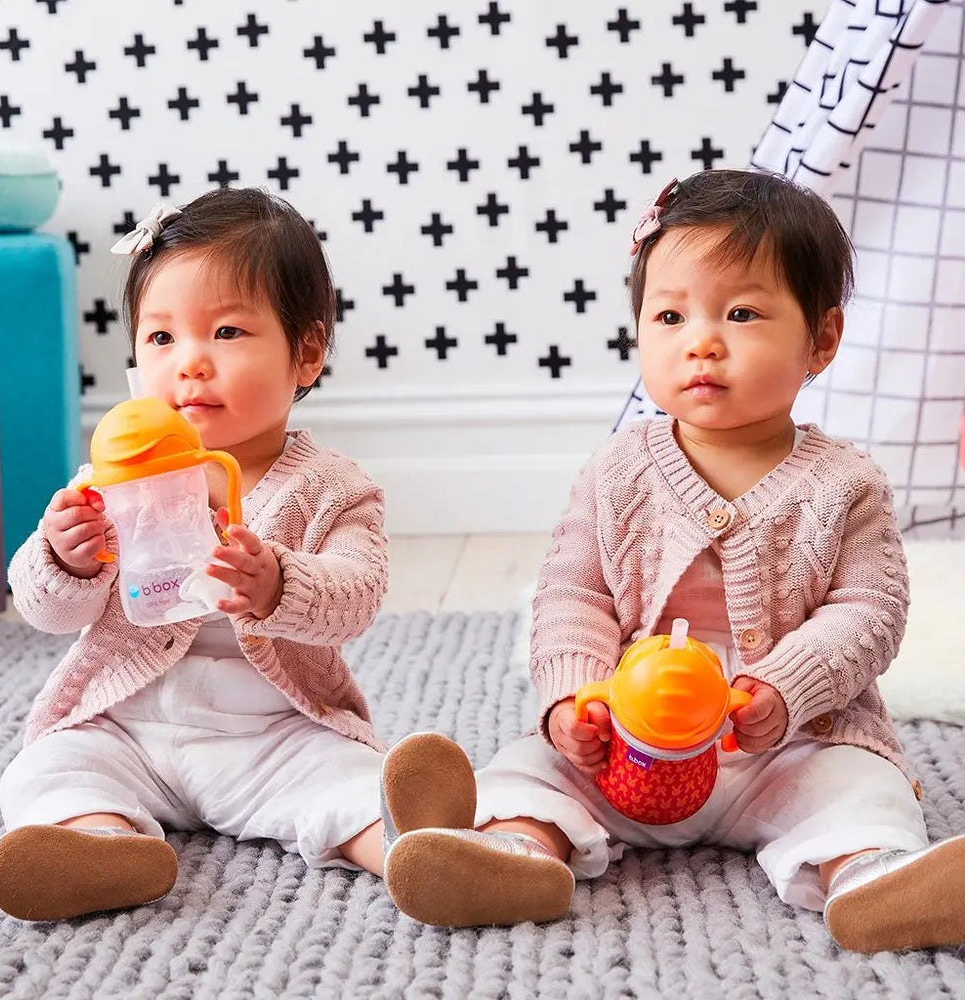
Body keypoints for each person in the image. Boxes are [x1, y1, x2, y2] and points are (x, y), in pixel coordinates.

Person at [380, 169, 965, 953]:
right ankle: (510, 851)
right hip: (630, 742)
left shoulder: (845, 484)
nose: (702, 340)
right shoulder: (618, 471)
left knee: (860, 786)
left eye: (743, 313)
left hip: (788, 745)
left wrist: (786, 689)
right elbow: (571, 594)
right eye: (669, 315)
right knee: (535, 767)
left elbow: (870, 611)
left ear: (821, 340)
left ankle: (872, 877)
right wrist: (576, 699)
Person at [0, 188, 413, 921]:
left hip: (269, 732)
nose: (189, 364)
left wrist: (280, 583)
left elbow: (358, 596)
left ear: (304, 353)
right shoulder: (115, 479)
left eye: (225, 332)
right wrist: (65, 559)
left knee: (348, 779)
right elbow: (45, 611)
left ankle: (412, 850)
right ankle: (100, 843)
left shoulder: (333, 488)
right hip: (125, 723)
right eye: (161, 338)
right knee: (48, 768)